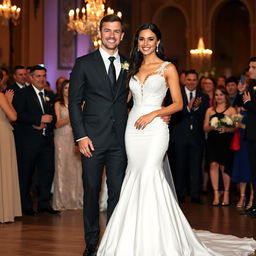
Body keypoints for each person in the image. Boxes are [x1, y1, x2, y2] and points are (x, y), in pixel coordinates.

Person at [97, 23, 256, 256]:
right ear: (136, 42)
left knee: (151, 174)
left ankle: (159, 236)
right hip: (133, 130)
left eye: (150, 39)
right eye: (141, 39)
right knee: (134, 175)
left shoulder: (167, 67)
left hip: (156, 128)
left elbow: (178, 103)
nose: (145, 44)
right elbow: (125, 99)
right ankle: (131, 235)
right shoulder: (131, 66)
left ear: (158, 42)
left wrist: (155, 113)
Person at [68, 15, 129, 256]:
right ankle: (91, 243)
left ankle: (112, 242)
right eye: (107, 31)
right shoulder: (84, 63)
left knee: (117, 192)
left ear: (122, 36)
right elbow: (74, 103)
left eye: (116, 31)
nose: (112, 35)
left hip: (120, 141)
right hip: (91, 140)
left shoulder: (128, 63)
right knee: (92, 190)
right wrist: (80, 136)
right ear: (100, 34)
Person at [13, 65, 58, 216]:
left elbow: (54, 118)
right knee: (26, 174)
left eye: (44, 76)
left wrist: (46, 122)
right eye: (38, 76)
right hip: (28, 141)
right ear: (30, 78)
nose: (42, 79)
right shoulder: (22, 94)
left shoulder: (50, 95)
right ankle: (26, 205)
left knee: (46, 173)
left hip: (46, 141)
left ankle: (44, 204)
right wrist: (38, 119)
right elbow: (18, 115)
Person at [170, 69, 209, 203]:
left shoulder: (203, 97)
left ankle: (195, 194)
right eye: (189, 79)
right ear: (184, 80)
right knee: (180, 166)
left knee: (196, 166)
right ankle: (180, 194)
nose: (191, 82)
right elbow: (174, 115)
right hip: (180, 136)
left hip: (197, 137)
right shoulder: (177, 94)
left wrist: (197, 108)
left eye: (194, 80)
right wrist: (188, 107)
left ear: (197, 81)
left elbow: (205, 115)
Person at [52, 80, 83, 210]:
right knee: (62, 168)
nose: (68, 90)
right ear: (62, 90)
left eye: (71, 87)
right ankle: (61, 202)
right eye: (65, 88)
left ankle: (76, 201)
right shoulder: (58, 104)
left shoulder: (79, 104)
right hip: (61, 138)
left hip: (75, 138)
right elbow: (57, 123)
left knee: (76, 169)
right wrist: (73, 116)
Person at [204, 86, 236, 206]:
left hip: (226, 141)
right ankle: (216, 194)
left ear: (225, 96)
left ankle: (226, 193)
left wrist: (227, 129)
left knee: (224, 167)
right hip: (212, 141)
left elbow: (236, 127)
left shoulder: (232, 110)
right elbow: (205, 128)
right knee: (213, 165)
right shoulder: (209, 110)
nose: (219, 97)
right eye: (216, 95)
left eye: (221, 95)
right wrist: (213, 125)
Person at [0, 71, 22, 223]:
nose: (5, 84)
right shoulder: (1, 95)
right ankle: (4, 211)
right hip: (2, 134)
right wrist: (9, 101)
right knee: (4, 171)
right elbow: (13, 117)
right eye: (4, 80)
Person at [241, 56, 256, 218]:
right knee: (253, 172)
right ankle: (254, 206)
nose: (250, 70)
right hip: (251, 134)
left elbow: (251, 106)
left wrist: (247, 104)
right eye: (250, 67)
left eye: (253, 67)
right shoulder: (251, 84)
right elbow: (244, 103)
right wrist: (241, 94)